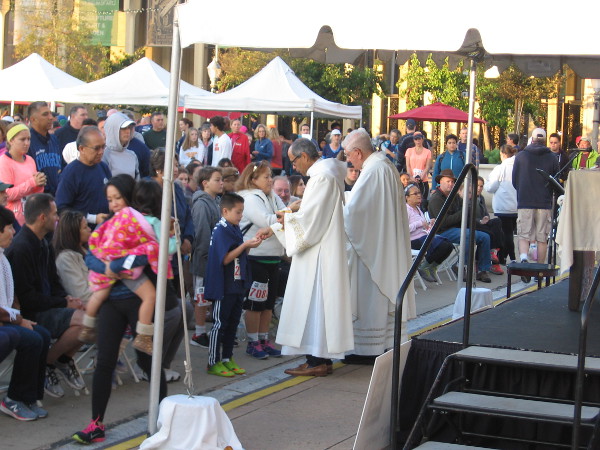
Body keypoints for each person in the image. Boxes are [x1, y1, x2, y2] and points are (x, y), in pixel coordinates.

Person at [257, 138, 354, 377]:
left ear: (303, 156)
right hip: (324, 248)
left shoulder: (321, 177)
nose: (293, 167)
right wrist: (292, 211)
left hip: (319, 252)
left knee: (315, 304)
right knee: (318, 305)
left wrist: (282, 224)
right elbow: (311, 207)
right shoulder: (327, 172)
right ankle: (317, 358)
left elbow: (312, 221)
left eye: (293, 161)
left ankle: (317, 360)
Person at [341, 128, 415, 362]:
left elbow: (355, 213)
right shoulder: (383, 166)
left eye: (347, 154)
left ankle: (366, 350)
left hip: (372, 249)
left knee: (370, 296)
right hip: (381, 242)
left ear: (358, 152)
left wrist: (335, 211)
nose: (347, 160)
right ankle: (379, 346)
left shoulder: (374, 170)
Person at [81, 179, 176, 355]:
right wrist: (113, 268)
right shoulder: (145, 222)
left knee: (99, 296)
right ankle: (143, 336)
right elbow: (91, 257)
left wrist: (110, 267)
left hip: (117, 283)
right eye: (110, 200)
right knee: (150, 296)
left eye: (117, 198)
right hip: (125, 283)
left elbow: (94, 254)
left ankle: (88, 326)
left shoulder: (120, 221)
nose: (114, 204)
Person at [6, 193, 85, 398]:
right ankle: (49, 362)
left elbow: (54, 281)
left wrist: (68, 299)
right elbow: (27, 298)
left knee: (88, 314)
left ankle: (59, 359)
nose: (57, 217)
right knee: (87, 322)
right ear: (42, 217)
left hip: (49, 307)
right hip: (32, 314)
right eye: (54, 213)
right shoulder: (21, 248)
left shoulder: (43, 243)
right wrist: (63, 303)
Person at [0, 206, 51, 421]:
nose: (14, 232)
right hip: (3, 321)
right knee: (28, 337)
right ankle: (13, 399)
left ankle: (29, 397)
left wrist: (19, 318)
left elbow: (12, 298)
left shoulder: (3, 258)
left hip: (5, 319)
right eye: (10, 228)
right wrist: (19, 321)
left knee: (42, 334)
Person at [204, 193, 262, 376]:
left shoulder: (234, 227)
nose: (241, 216)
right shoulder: (221, 230)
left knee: (233, 324)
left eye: (242, 212)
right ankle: (213, 361)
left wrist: (249, 245)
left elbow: (238, 251)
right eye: (238, 212)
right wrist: (245, 246)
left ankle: (227, 358)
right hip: (223, 285)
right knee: (220, 324)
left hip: (237, 283)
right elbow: (225, 258)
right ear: (225, 211)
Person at [237, 161, 290, 360]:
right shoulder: (250, 197)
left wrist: (287, 213)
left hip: (272, 257)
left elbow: (286, 215)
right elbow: (267, 221)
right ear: (253, 179)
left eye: (270, 176)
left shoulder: (271, 195)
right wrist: (287, 213)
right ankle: (253, 341)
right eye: (266, 177)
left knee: (268, 304)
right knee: (255, 303)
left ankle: (263, 338)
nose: (270, 180)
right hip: (255, 257)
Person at [428, 169, 493, 283]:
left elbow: (465, 211)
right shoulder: (436, 198)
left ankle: (483, 270)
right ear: (440, 181)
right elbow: (443, 223)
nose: (451, 184)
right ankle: (461, 265)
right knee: (467, 235)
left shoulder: (454, 196)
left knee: (485, 236)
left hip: (457, 228)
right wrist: (463, 212)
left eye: (452, 182)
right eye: (448, 181)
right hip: (442, 231)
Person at [512, 128, 559, 275]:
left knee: (524, 233)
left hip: (525, 200)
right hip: (544, 202)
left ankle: (524, 258)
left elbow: (515, 180)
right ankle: (539, 271)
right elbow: (555, 181)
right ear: (545, 141)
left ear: (532, 139)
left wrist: (523, 191)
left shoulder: (521, 156)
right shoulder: (552, 157)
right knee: (542, 237)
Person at [190, 167, 223, 348]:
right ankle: (199, 333)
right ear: (205, 183)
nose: (221, 183)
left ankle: (206, 330)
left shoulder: (215, 201)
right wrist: (207, 255)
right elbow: (202, 233)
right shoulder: (202, 204)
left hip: (214, 258)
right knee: (201, 295)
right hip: (205, 258)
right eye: (217, 180)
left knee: (207, 295)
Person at [55, 126, 111, 226]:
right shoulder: (71, 173)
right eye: (96, 148)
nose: (101, 152)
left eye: (103, 147)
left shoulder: (103, 167)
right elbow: (62, 208)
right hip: (81, 233)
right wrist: (92, 218)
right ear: (81, 148)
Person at [405, 183, 454, 283]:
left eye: (419, 193)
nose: (419, 195)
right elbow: (404, 229)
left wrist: (429, 224)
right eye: (415, 193)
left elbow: (423, 226)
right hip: (413, 241)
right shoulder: (406, 210)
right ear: (407, 197)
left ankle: (431, 267)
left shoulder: (418, 209)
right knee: (443, 245)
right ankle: (423, 267)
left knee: (449, 245)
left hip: (424, 237)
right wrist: (419, 223)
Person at [0, 123, 46, 226]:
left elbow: (35, 191)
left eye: (29, 139)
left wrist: (40, 184)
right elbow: (7, 194)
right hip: (13, 220)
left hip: (31, 217)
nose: (27, 143)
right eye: (22, 139)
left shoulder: (30, 160)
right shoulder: (4, 162)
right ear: (11, 140)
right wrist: (32, 182)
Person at [485, 144, 518, 265]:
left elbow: (492, 186)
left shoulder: (500, 168)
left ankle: (511, 257)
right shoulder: (518, 167)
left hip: (503, 205)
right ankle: (503, 256)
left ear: (503, 154)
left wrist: (486, 185)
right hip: (515, 204)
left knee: (505, 233)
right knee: (509, 232)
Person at [53, 210, 93, 304]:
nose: (89, 229)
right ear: (73, 233)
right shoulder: (65, 259)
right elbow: (81, 295)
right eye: (85, 227)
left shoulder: (88, 250)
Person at [27, 102, 62, 195]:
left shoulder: (54, 139)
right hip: (38, 198)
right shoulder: (27, 141)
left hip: (56, 196)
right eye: (45, 114)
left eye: (50, 113)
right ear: (33, 119)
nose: (50, 117)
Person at [102, 113, 139, 179]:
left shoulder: (132, 155)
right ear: (113, 130)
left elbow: (137, 180)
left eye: (129, 128)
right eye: (123, 128)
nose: (128, 131)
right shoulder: (104, 155)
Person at [405, 131, 432, 200]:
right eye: (416, 139)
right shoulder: (409, 151)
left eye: (419, 139)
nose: (418, 141)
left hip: (423, 179)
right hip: (412, 179)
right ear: (414, 140)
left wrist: (423, 175)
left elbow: (428, 166)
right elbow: (408, 165)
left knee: (423, 199)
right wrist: (410, 176)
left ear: (422, 139)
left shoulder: (427, 152)